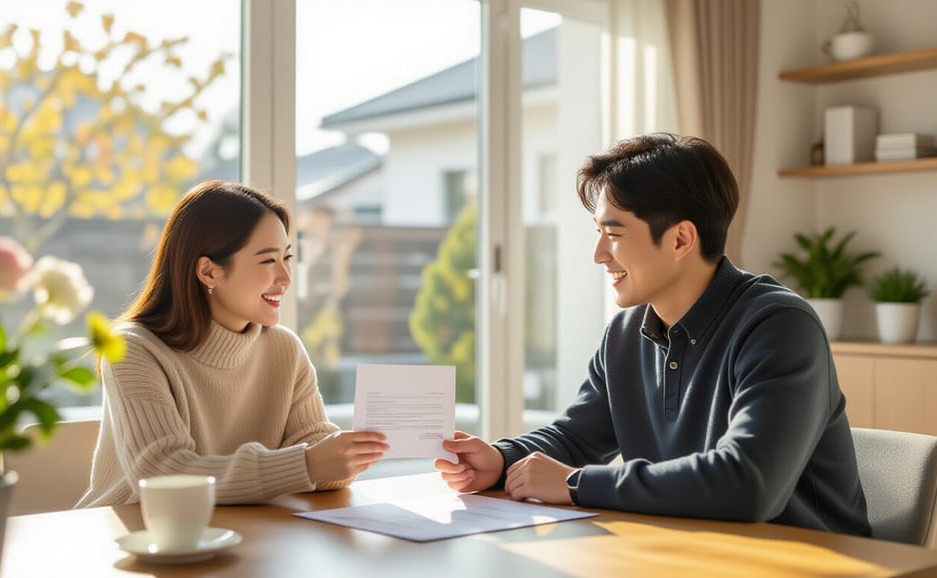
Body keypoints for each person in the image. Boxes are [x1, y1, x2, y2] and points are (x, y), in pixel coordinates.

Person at [435, 133, 871, 536]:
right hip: (691, 554)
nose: (599, 255)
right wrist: (501, 458)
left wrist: (575, 483)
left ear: (681, 239)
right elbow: (577, 437)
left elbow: (749, 483)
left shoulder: (778, 326)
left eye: (613, 233)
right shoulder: (626, 333)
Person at [78, 181, 388, 507]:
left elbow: (316, 455)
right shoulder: (134, 349)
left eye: (287, 258)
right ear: (209, 272)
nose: (285, 278)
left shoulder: (284, 349)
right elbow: (163, 474)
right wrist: (308, 464)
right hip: (130, 538)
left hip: (241, 534)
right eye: (268, 261)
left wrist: (349, 455)